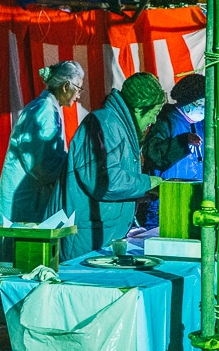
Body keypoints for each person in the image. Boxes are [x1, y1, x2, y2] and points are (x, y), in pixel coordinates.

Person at [46, 72, 164, 261]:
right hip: (86, 237)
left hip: (100, 234)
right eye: (154, 113)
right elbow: (104, 182)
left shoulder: (118, 126)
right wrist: (148, 182)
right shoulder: (105, 124)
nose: (154, 120)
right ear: (139, 107)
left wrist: (146, 194)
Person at [0, 60, 84, 261]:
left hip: (28, 192)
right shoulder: (43, 110)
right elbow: (43, 164)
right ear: (65, 86)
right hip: (24, 196)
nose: (79, 95)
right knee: (17, 258)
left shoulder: (47, 107)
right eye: (78, 88)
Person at [140, 73, 205, 229]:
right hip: (164, 204)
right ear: (190, 102)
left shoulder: (199, 124)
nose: (204, 109)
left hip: (190, 201)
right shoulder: (166, 121)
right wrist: (181, 142)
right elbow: (152, 152)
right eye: (201, 104)